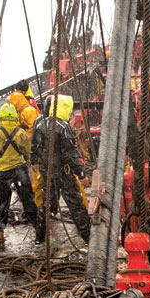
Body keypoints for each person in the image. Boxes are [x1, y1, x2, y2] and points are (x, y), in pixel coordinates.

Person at [0, 104, 43, 246]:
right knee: (28, 200)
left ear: (1, 117)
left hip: (2, 173)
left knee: (2, 202)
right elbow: (28, 153)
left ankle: (0, 232)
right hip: (19, 171)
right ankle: (38, 229)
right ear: (15, 117)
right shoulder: (20, 132)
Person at [32, 94, 91, 242]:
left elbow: (34, 147)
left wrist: (35, 162)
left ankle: (39, 238)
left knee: (46, 205)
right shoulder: (64, 128)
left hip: (47, 172)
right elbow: (70, 155)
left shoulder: (40, 125)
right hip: (63, 174)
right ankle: (88, 237)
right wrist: (82, 173)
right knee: (76, 206)